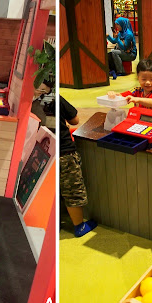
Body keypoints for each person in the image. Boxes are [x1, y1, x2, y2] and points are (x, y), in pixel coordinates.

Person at [59, 95, 97, 237]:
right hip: (65, 153)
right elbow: (75, 120)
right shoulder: (58, 99)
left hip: (48, 149)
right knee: (72, 191)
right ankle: (79, 226)